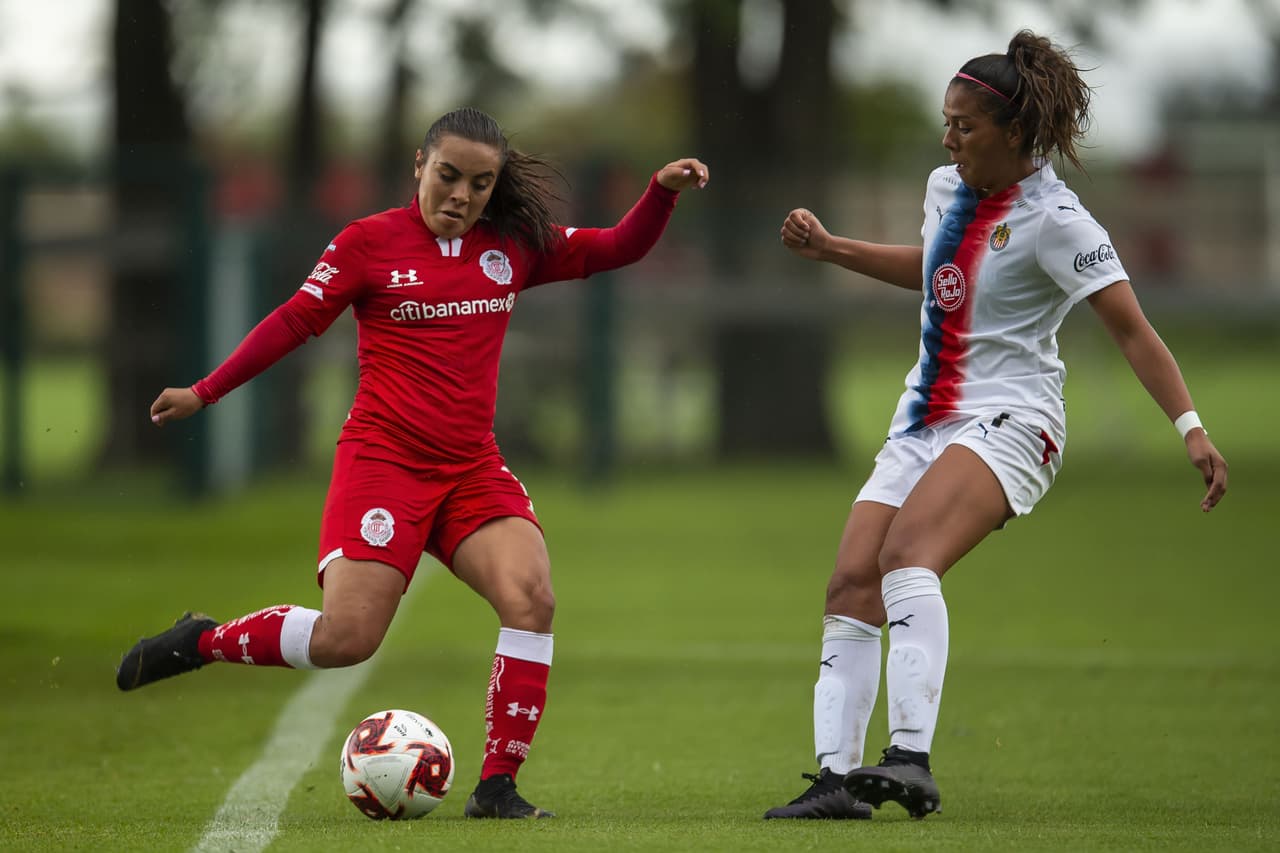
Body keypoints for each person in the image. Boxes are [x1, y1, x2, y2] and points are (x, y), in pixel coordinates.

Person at [116, 106, 710, 820]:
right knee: (347, 640)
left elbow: (617, 247)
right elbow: (295, 319)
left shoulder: (512, 245)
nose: (461, 195)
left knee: (532, 599)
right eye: (449, 175)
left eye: (481, 184)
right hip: (384, 464)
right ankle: (204, 640)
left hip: (470, 468)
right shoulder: (367, 242)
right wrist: (205, 391)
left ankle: (497, 788)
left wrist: (661, 191)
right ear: (419, 166)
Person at [763, 30, 1227, 821]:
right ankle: (834, 782)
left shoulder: (1058, 221)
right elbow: (935, 269)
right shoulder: (946, 187)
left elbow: (1132, 330)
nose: (949, 139)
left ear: (1014, 134)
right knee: (850, 583)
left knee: (908, 556)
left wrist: (1191, 426)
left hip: (1015, 419)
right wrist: (834, 249)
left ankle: (910, 759)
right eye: (945, 123)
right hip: (924, 418)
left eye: (964, 126)